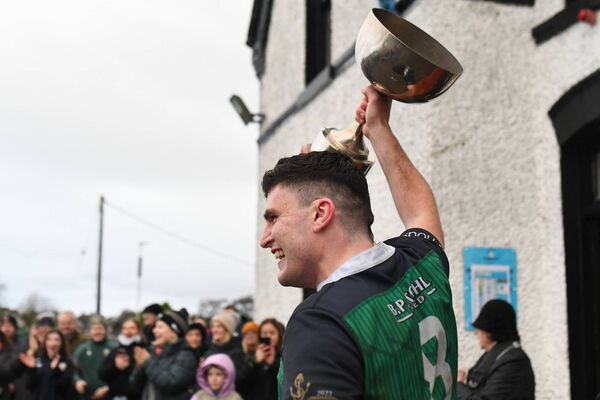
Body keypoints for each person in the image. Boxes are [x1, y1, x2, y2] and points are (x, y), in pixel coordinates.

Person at [259, 85, 458, 399]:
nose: (264, 239)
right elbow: (420, 212)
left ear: (321, 213)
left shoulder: (320, 322)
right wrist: (378, 129)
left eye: (273, 218)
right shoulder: (419, 264)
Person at [457, 299, 535, 399]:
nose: (477, 333)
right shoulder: (498, 355)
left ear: (491, 330)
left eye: (481, 328)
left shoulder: (513, 362)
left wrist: (459, 386)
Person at [129, 308, 197, 400]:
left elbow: (171, 383)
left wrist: (147, 363)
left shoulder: (186, 355)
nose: (154, 331)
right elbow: (135, 386)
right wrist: (139, 367)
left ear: (174, 331)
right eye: (155, 327)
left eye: (160, 327)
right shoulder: (152, 351)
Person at [19, 329, 76, 400]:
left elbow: (66, 388)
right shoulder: (38, 360)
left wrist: (56, 370)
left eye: (57, 340)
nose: (53, 343)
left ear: (61, 344)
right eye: (49, 339)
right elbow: (29, 386)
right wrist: (31, 369)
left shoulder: (66, 362)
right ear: (45, 342)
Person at [237, 318, 284, 400]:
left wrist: (273, 364)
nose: (268, 336)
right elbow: (240, 385)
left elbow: (284, 383)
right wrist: (254, 362)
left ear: (279, 335)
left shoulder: (283, 357)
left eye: (272, 333)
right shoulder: (250, 357)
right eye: (264, 333)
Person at [98, 318, 143, 400]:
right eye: (125, 328)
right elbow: (101, 374)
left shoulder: (143, 349)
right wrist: (115, 366)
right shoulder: (115, 350)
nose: (128, 331)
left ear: (138, 330)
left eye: (132, 328)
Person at [73, 315, 116, 399]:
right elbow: (73, 370)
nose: (97, 332)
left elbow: (120, 373)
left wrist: (106, 388)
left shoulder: (114, 348)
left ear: (106, 330)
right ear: (89, 331)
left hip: (109, 395)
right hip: (86, 395)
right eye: (94, 329)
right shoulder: (82, 349)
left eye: (100, 329)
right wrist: (77, 381)